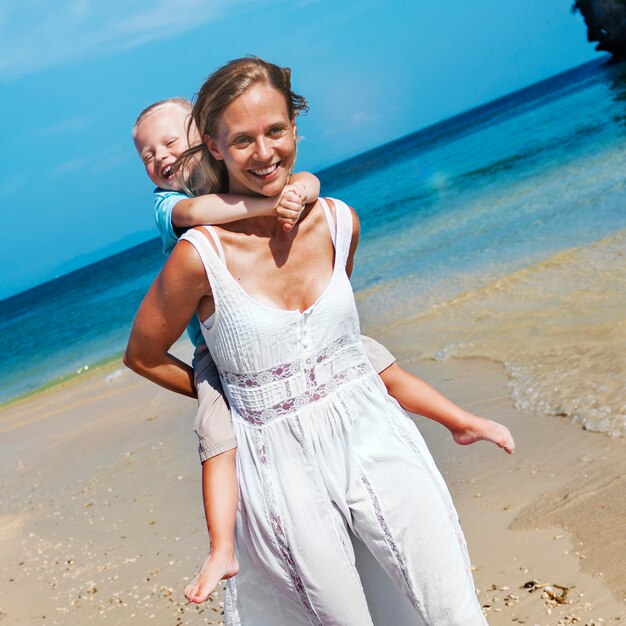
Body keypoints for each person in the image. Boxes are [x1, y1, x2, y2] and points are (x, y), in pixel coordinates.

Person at [125, 56, 509, 624]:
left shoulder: (337, 221)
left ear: (295, 128)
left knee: (448, 603)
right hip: (277, 468)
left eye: (276, 131)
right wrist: (228, 396)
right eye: (243, 140)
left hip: (376, 433)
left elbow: (336, 341)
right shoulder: (195, 254)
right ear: (213, 146)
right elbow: (143, 356)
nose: (264, 153)